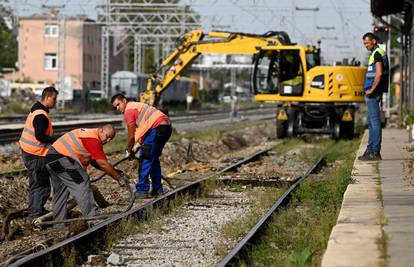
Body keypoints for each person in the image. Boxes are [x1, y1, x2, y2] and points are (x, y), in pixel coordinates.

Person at [44, 125, 129, 227]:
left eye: (110, 139)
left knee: (61, 192)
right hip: (62, 159)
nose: (108, 140)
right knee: (82, 182)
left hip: (51, 159)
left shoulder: (88, 135)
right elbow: (102, 163)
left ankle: (58, 225)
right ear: (101, 130)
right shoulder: (93, 138)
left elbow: (95, 162)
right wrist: (118, 178)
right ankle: (92, 216)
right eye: (107, 136)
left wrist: (115, 171)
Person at [111, 94, 172, 198]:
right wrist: (137, 145)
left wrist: (129, 149)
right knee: (153, 159)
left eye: (118, 104)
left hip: (157, 128)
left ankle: (142, 190)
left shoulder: (129, 110)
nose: (117, 108)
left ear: (124, 101)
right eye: (115, 107)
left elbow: (131, 133)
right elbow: (145, 128)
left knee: (145, 158)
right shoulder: (137, 106)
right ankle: (157, 189)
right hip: (166, 128)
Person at [19, 86, 58, 223]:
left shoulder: (37, 110)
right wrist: (55, 141)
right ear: (47, 97)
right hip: (35, 154)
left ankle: (36, 211)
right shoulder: (41, 114)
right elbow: (40, 136)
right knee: (41, 185)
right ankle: (35, 215)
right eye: (54, 98)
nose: (55, 101)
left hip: (30, 152)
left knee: (36, 184)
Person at [358, 32, 389, 161]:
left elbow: (379, 73)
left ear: (374, 41)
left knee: (374, 123)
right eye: (364, 43)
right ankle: (370, 150)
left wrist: (371, 89)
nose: (365, 45)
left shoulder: (377, 54)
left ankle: (375, 152)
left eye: (367, 42)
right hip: (373, 93)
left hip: (373, 93)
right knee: (371, 123)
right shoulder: (375, 53)